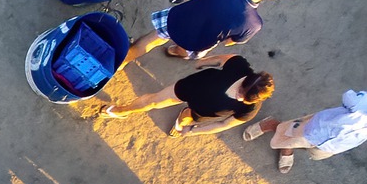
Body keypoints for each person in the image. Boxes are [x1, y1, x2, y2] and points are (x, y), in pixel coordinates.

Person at [128, 0, 291, 63]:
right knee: (186, 50)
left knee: (149, 41)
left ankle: (122, 61)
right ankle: (174, 51)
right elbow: (229, 42)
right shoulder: (254, 25)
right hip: (198, 42)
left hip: (177, 21)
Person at [243, 88, 367, 171]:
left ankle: (289, 145)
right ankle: (271, 125)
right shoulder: (366, 104)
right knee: (291, 133)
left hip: (334, 144)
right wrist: (354, 105)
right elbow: (349, 96)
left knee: (312, 151)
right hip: (319, 128)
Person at [101, 58, 275, 135]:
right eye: (241, 91)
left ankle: (181, 120)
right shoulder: (239, 65)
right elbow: (220, 59)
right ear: (246, 79)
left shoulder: (250, 108)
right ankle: (122, 110)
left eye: (244, 99)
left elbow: (224, 124)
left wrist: (194, 132)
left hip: (202, 111)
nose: (238, 98)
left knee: (186, 118)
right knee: (153, 100)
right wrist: (201, 63)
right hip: (191, 87)